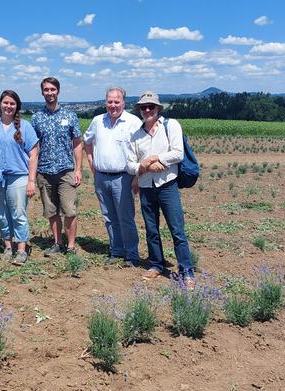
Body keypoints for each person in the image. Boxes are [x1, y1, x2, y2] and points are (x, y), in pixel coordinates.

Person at [125, 91, 196, 288]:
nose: (147, 110)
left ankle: (186, 270)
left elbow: (178, 153)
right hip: (147, 187)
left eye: (151, 106)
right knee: (151, 229)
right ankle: (157, 264)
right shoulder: (136, 135)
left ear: (158, 108)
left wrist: (156, 160)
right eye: (143, 107)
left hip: (167, 185)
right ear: (139, 110)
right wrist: (144, 165)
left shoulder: (170, 125)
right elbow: (130, 165)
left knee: (177, 230)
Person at [84, 87, 141, 267]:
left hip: (123, 177)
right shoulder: (98, 121)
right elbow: (86, 141)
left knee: (125, 217)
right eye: (110, 101)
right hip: (101, 177)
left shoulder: (133, 122)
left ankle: (131, 255)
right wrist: (91, 161)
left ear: (124, 103)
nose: (113, 105)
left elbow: (142, 149)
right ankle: (116, 251)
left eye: (117, 101)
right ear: (105, 102)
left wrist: (137, 176)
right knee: (109, 217)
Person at [31, 77, 83, 256]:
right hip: (44, 171)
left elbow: (77, 143)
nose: (50, 93)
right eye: (46, 90)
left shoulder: (70, 116)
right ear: (42, 92)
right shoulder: (37, 117)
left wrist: (78, 169)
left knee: (69, 210)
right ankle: (57, 243)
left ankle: (71, 246)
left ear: (58, 91)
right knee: (51, 211)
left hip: (66, 170)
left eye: (53, 89)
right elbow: (34, 147)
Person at [0, 90, 39, 265]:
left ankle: (21, 249)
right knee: (2, 213)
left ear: (17, 106)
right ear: (0, 104)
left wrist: (31, 181)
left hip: (19, 176)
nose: (8, 106)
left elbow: (33, 155)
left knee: (18, 213)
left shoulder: (25, 126)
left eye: (12, 103)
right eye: (5, 102)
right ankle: (8, 246)